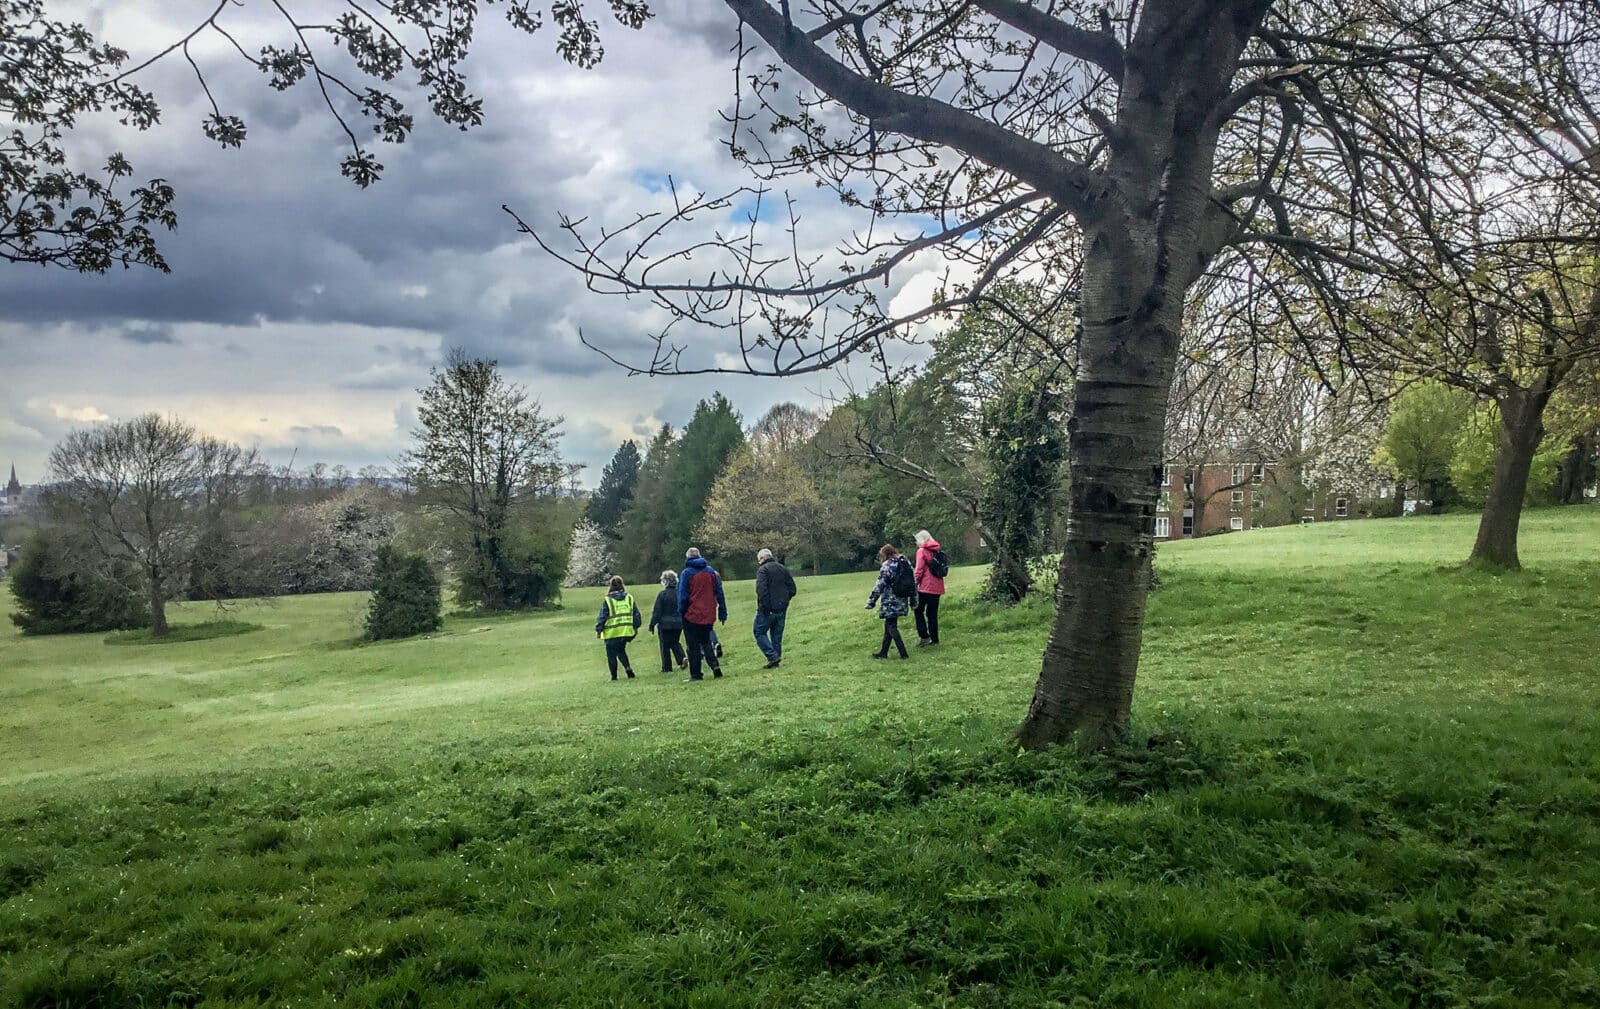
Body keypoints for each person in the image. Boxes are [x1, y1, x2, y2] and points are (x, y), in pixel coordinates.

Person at [677, 547, 727, 680]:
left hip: (692, 614)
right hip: (708, 613)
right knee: (706, 642)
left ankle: (696, 674)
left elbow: (683, 595)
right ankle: (715, 667)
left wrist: (681, 611)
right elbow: (719, 592)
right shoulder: (710, 572)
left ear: (687, 558)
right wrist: (722, 611)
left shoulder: (686, 573)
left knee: (692, 646)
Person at [865, 543, 917, 659]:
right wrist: (913, 601)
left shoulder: (887, 565)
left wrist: (871, 601)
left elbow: (880, 584)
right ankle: (883, 652)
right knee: (889, 624)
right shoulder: (905, 562)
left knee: (891, 626)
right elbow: (913, 583)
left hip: (890, 601)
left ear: (884, 554)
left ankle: (903, 653)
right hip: (902, 599)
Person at [753, 547, 798, 668]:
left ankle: (772, 656)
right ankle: (775, 659)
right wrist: (784, 601)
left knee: (758, 632)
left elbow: (761, 590)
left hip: (767, 610)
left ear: (762, 558)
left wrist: (765, 606)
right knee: (776, 637)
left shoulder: (763, 570)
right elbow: (792, 589)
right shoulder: (783, 569)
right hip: (781, 609)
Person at [594, 575, 641, 680]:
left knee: (611, 654)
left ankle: (614, 676)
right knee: (621, 650)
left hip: (612, 632)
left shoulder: (608, 600)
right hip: (626, 631)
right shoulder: (629, 598)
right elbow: (636, 614)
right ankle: (628, 668)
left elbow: (603, 616)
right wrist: (636, 627)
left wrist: (598, 630)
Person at [912, 529, 947, 646]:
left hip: (925, 586)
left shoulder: (922, 551)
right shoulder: (937, 549)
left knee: (918, 610)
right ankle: (934, 638)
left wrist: (914, 582)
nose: (916, 543)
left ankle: (924, 636)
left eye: (916, 540)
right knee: (932, 614)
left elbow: (919, 569)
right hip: (938, 586)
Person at [649, 570, 688, 673]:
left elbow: (657, 611)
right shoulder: (679, 594)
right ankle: (682, 658)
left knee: (664, 646)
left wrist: (652, 624)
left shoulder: (662, 594)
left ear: (665, 581)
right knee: (675, 642)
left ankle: (667, 667)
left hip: (665, 624)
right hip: (679, 623)